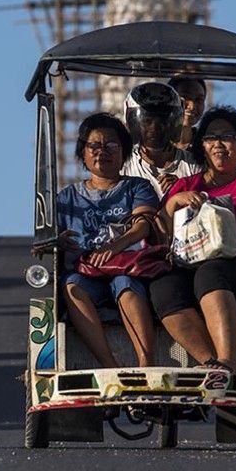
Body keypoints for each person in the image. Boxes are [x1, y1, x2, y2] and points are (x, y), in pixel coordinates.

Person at [149, 106, 236, 371]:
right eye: (211, 137)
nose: (219, 144)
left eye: (228, 137)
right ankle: (209, 363)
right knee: (162, 287)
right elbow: (159, 232)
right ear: (202, 146)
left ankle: (227, 361)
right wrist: (174, 202)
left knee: (210, 273)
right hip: (188, 263)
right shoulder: (185, 185)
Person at [56, 113, 159, 368]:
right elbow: (47, 239)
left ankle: (146, 365)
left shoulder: (138, 187)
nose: (102, 151)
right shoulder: (66, 198)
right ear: (83, 152)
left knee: (124, 284)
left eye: (111, 145)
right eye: (94, 145)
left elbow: (143, 226)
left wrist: (113, 247)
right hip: (86, 275)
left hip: (127, 269)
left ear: (123, 152)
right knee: (71, 286)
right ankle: (110, 367)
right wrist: (57, 241)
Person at [121, 82, 201, 199]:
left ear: (174, 122)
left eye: (162, 121)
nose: (154, 128)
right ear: (134, 122)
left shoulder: (194, 165)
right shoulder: (123, 165)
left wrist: (183, 187)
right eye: (147, 121)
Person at [167, 76, 207, 150]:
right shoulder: (153, 141)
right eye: (185, 97)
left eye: (199, 100)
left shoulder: (206, 146)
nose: (192, 106)